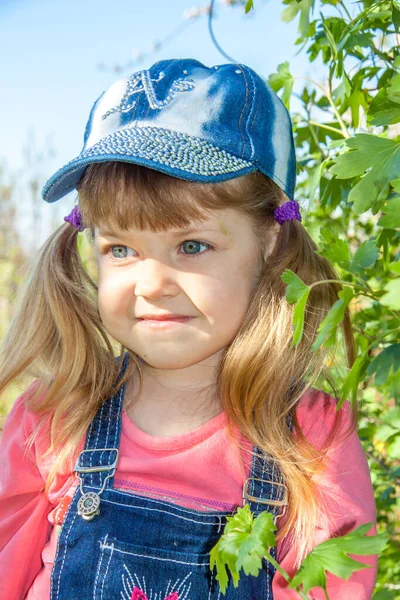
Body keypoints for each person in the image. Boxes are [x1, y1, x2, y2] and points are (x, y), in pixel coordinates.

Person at [0, 58, 377, 600]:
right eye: (121, 249)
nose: (151, 284)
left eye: (192, 246)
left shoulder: (310, 442)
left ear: (270, 242)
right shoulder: (52, 421)